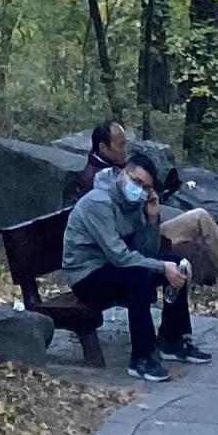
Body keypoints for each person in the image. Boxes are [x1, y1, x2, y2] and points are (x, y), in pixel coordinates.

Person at [87, 121, 218, 330]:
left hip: (138, 235)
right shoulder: (95, 181)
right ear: (103, 147)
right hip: (118, 250)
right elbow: (116, 240)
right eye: (120, 145)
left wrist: (152, 216)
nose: (125, 151)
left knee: (187, 244)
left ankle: (178, 335)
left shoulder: (118, 171)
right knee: (181, 247)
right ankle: (160, 342)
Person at [62, 150, 195, 373]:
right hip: (87, 274)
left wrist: (152, 218)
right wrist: (162, 268)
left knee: (178, 263)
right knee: (140, 276)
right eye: (136, 181)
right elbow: (121, 257)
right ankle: (141, 358)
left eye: (146, 187)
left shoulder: (134, 205)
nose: (140, 190)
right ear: (124, 174)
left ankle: (173, 339)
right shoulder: (98, 202)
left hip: (113, 267)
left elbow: (146, 251)